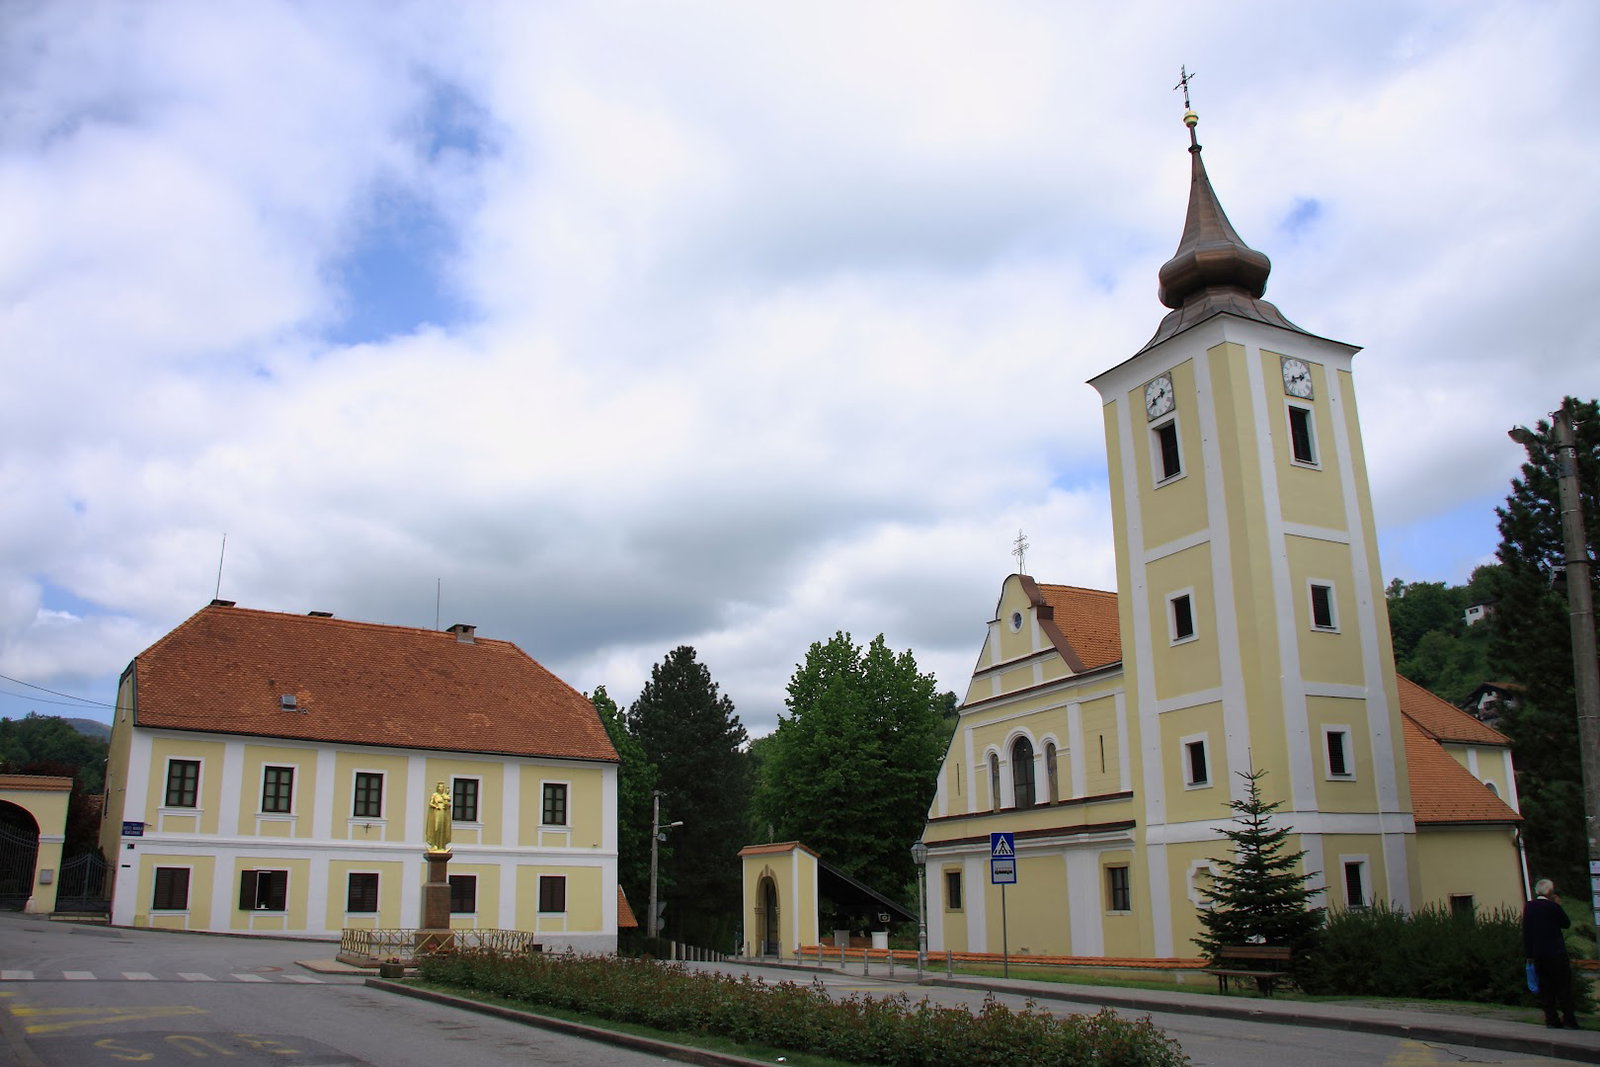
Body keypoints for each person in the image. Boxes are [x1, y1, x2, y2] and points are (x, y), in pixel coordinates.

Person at [1523, 878, 1578, 1029]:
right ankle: (1569, 1020)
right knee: (1563, 987)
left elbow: (1527, 931)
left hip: (1538, 953)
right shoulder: (1552, 907)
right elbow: (1565, 923)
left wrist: (1529, 955)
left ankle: (1551, 1020)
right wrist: (1558, 905)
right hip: (1555, 952)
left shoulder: (1529, 906)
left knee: (1546, 988)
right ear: (1550, 892)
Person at [425, 780, 452, 853]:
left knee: (442, 829)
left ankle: (442, 846)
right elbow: (430, 803)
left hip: (443, 812)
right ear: (437, 788)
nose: (441, 789)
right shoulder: (434, 795)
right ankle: (435, 845)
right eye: (440, 787)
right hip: (436, 812)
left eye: (442, 787)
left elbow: (448, 804)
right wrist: (436, 806)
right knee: (436, 828)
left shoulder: (444, 796)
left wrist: (446, 804)